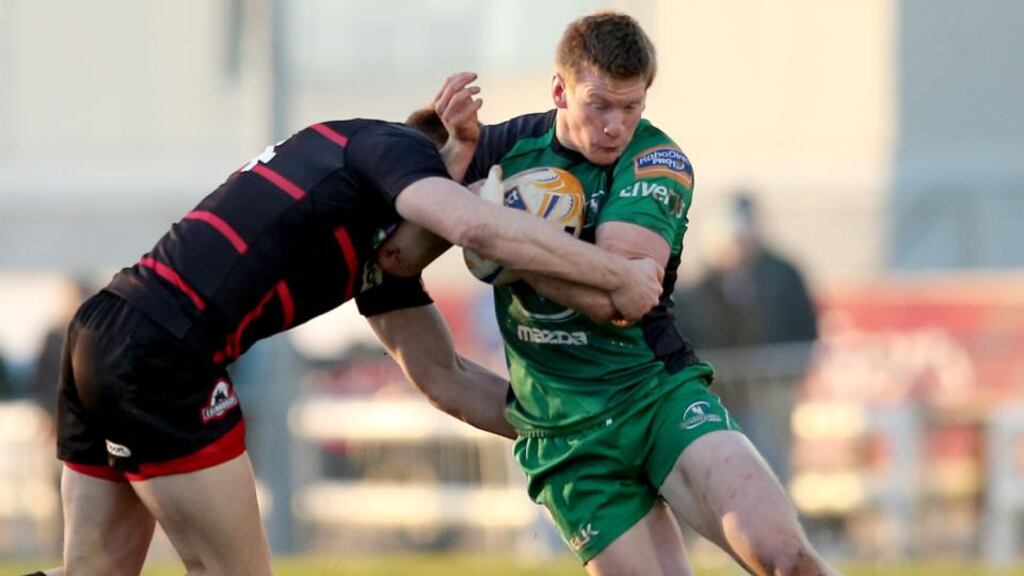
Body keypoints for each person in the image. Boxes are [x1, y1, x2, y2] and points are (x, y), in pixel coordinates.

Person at [36, 117, 664, 576]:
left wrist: (572, 430)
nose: (454, 246)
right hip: (164, 348)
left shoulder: (379, 255)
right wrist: (619, 276)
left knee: (94, 573)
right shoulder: (389, 148)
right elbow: (476, 224)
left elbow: (445, 378)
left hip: (106, 327)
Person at [383, 11, 837, 576]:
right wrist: (452, 161)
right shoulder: (500, 147)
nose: (615, 126)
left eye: (631, 106)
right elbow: (397, 250)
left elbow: (619, 295)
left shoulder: (657, 159)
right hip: (567, 438)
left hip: (654, 395)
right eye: (599, 105)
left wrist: (498, 239)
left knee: (788, 559)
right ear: (559, 90)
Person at [673, 193, 819, 483]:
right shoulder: (698, 288)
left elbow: (802, 322)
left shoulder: (778, 275)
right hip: (719, 391)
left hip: (768, 386)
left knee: (770, 458)